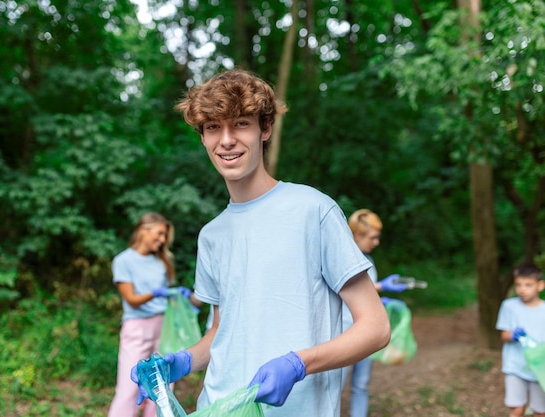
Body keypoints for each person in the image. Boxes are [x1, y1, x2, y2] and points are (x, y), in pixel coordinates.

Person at [131, 69, 391, 417]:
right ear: (204, 137)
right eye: (213, 127)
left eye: (240, 123)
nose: (226, 140)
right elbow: (222, 334)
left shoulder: (313, 210)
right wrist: (180, 362)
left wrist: (299, 363)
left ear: (264, 129)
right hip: (220, 409)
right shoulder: (212, 235)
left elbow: (376, 328)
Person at [108, 212, 194, 417]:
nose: (163, 240)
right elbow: (131, 299)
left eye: (165, 236)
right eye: (160, 233)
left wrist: (182, 296)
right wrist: (155, 293)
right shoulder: (124, 261)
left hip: (164, 327)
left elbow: (169, 299)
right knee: (128, 388)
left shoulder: (163, 261)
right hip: (137, 327)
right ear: (143, 230)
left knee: (163, 387)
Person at [341, 209, 408, 417]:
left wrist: (380, 302)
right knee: (334, 386)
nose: (377, 242)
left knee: (361, 384)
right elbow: (347, 289)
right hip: (343, 332)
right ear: (357, 235)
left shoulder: (369, 260)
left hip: (366, 330)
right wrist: (380, 286)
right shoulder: (342, 257)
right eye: (373, 237)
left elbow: (367, 296)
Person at [496, 262, 545, 417]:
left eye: (528, 285)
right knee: (517, 409)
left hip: (540, 369)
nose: (522, 289)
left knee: (540, 411)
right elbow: (503, 335)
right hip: (515, 367)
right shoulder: (509, 306)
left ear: (540, 285)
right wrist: (513, 335)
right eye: (518, 285)